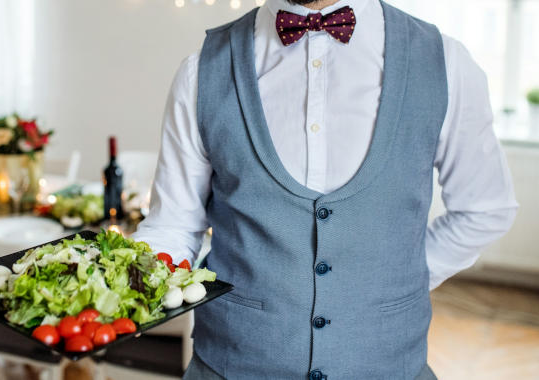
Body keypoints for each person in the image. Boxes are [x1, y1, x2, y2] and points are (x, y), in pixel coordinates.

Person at [133, 0, 519, 378]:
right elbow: (173, 226)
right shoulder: (201, 70)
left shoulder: (445, 62)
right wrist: (114, 287)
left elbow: (485, 209)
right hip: (229, 365)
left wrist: (405, 276)